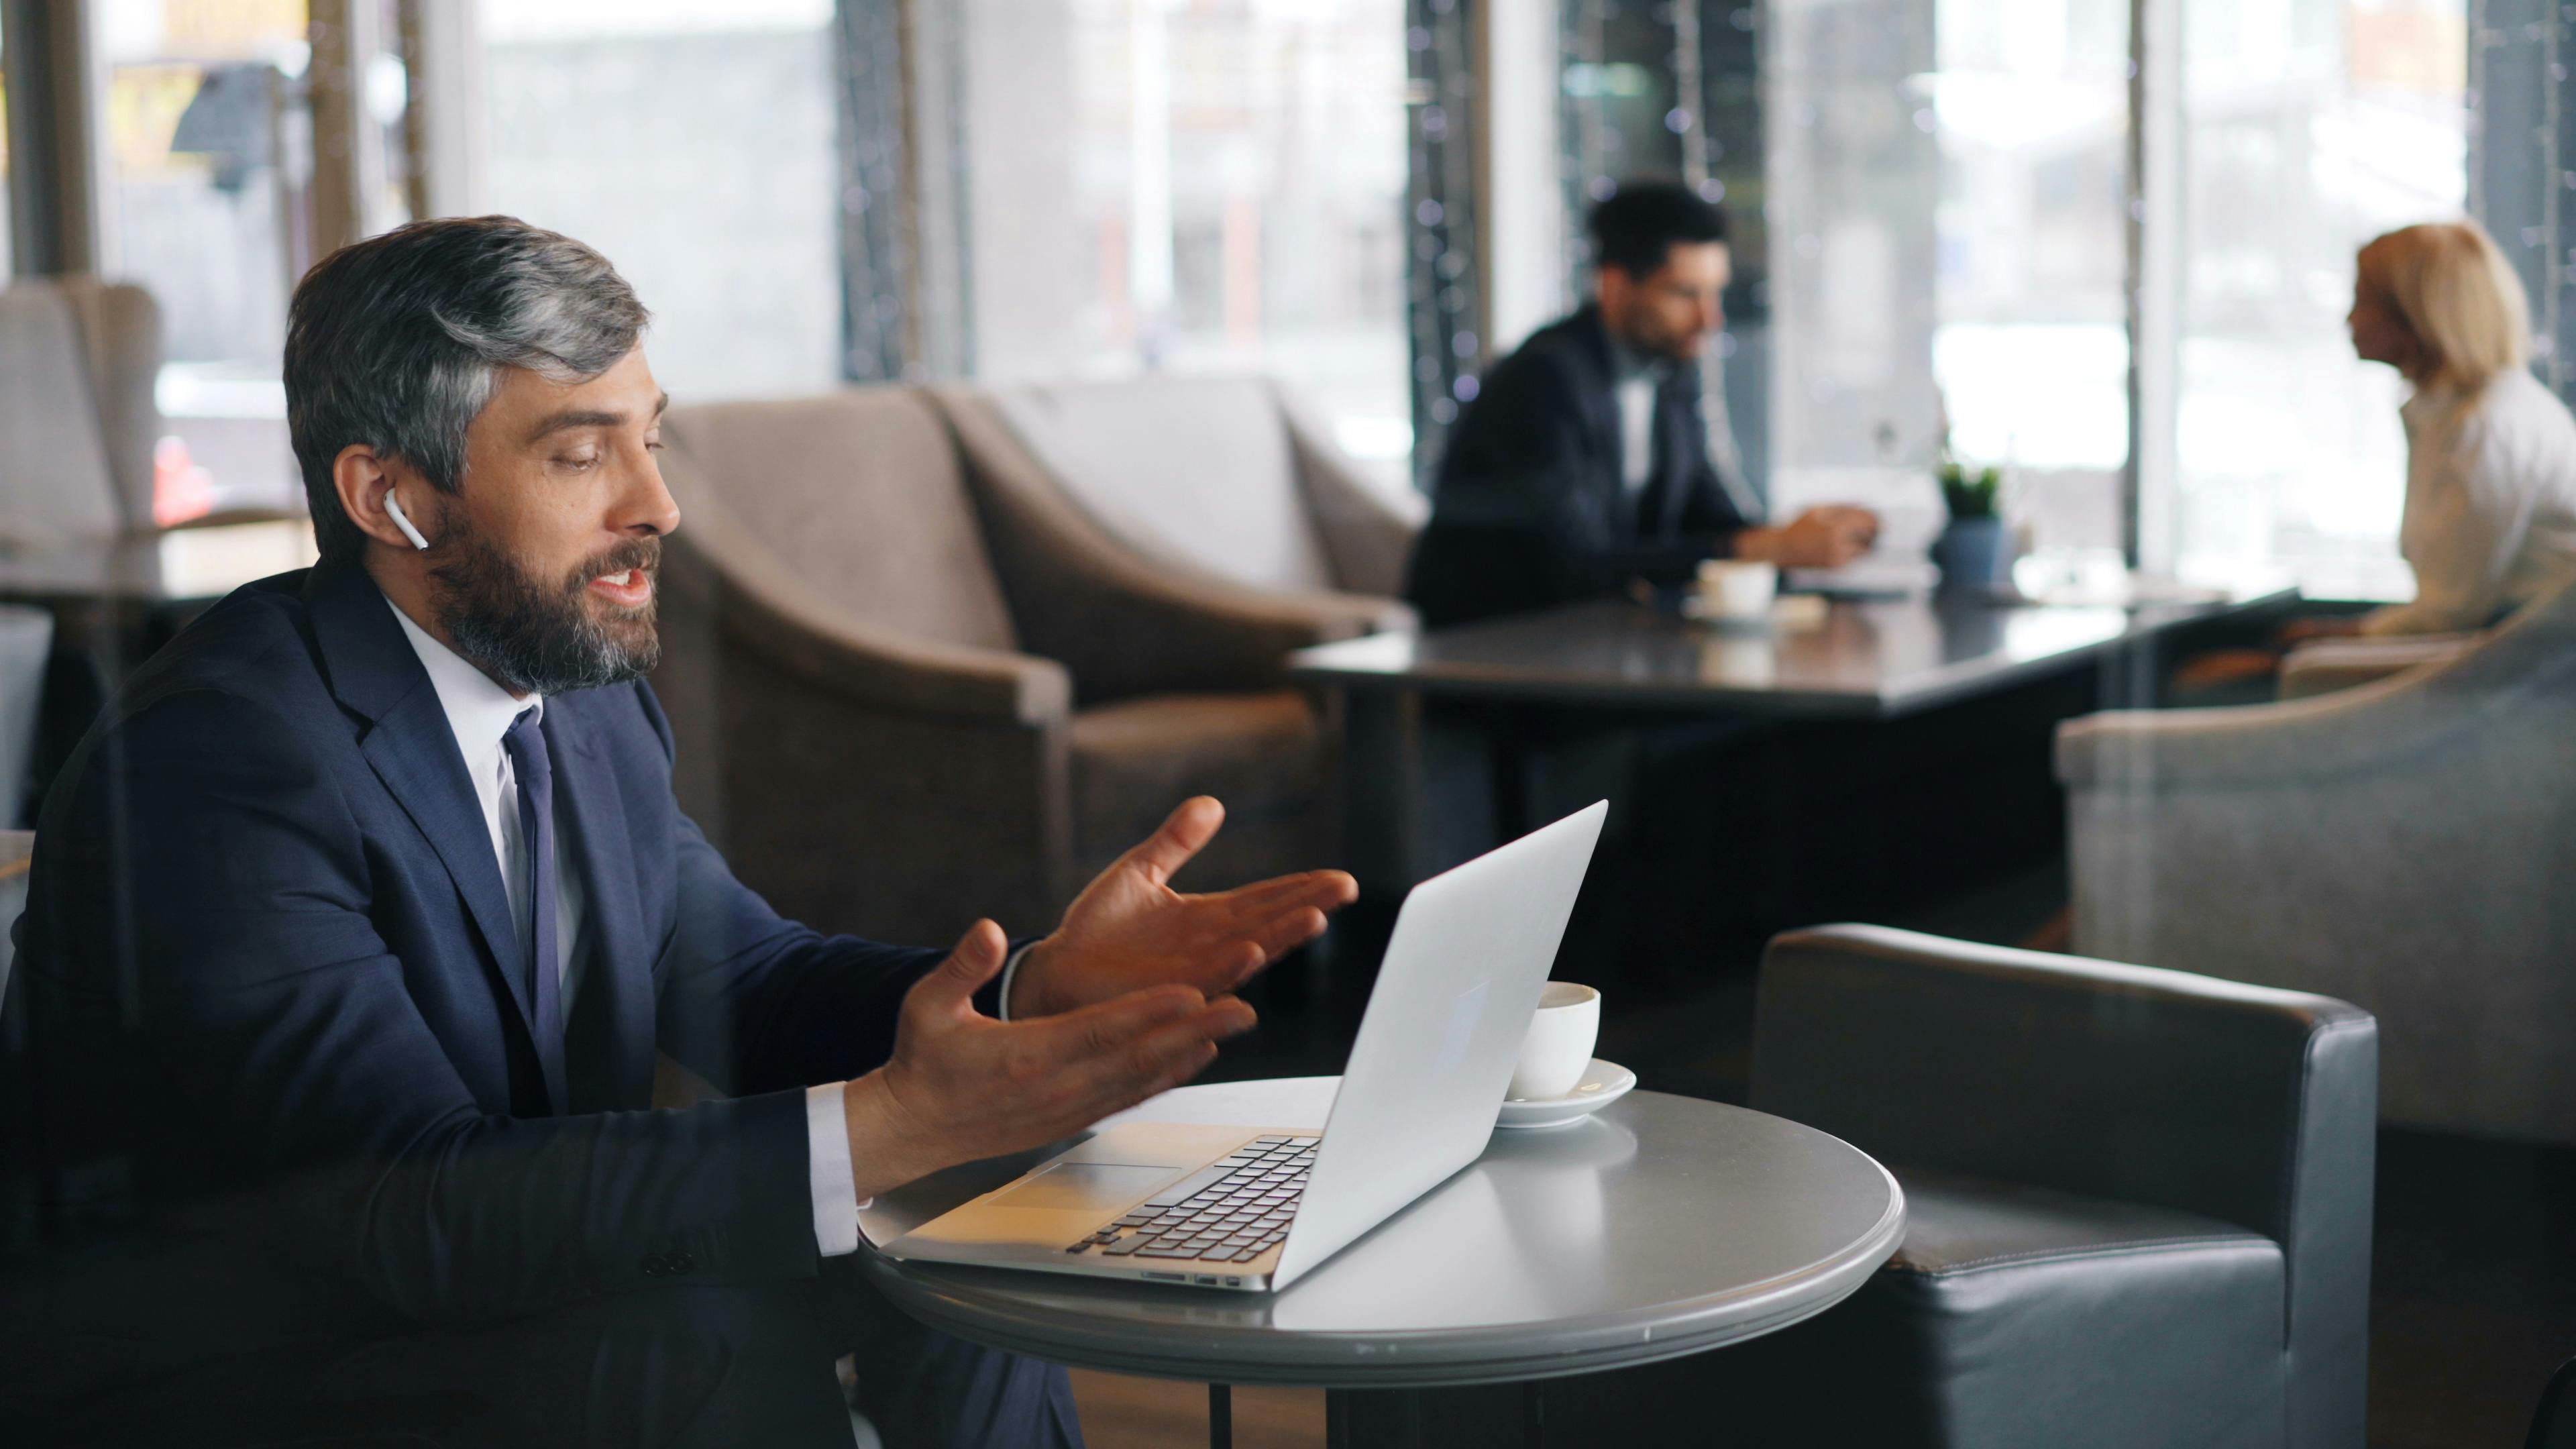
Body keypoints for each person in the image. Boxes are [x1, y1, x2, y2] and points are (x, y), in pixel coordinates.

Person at [0, 217, 1357, 1448]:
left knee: (955, 1241)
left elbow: (742, 975)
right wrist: (884, 1123)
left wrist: (1030, 990)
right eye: (582, 452)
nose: (658, 504)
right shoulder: (221, 759)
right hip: (245, 1367)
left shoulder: (576, 700)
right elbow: (400, 1209)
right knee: (706, 1340)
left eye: (651, 437)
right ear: (390, 497)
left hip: (474, 1289)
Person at [1405, 180, 1878, 627]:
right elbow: (1574, 565)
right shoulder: (1543, 381)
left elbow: (1704, 511)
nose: (1709, 319)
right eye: (1684, 293)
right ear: (1615, 285)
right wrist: (1767, 547)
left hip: (1592, 642)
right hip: (1494, 651)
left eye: (1716, 292)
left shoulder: (1668, 371)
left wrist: (1796, 540)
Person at [2302, 219, 2576, 639]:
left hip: (2523, 677)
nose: (2349, 320)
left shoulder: (2487, 427)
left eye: (2363, 301)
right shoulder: (2456, 413)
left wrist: (2321, 644)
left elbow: (2448, 616)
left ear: (2415, 312)